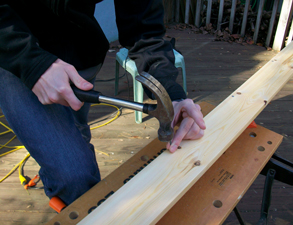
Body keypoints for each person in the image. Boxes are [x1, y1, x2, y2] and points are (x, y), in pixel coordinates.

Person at [0, 0, 206, 205]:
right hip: (13, 53)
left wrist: (171, 94)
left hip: (79, 58)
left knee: (77, 133)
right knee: (75, 179)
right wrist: (32, 63)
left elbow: (144, 30)